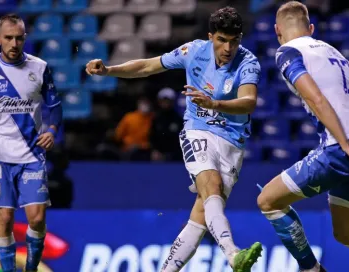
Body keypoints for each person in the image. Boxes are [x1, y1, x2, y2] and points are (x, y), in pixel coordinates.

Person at [86, 6, 262, 272]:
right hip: (197, 131)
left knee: (202, 214)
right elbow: (147, 65)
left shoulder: (248, 63)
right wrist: (109, 70)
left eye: (234, 41)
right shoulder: (193, 51)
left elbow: (249, 102)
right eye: (222, 40)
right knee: (211, 185)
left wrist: (214, 103)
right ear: (210, 36)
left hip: (232, 142)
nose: (228, 47)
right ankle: (233, 254)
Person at [256, 2, 349, 272]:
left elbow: (316, 98)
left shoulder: (287, 52)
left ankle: (311, 269)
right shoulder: (334, 52)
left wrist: (345, 146)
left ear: (277, 30)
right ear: (311, 28)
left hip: (342, 150)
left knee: (268, 200)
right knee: (348, 234)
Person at [0, 14, 62, 272]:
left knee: (37, 219)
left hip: (31, 153)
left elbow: (54, 106)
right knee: (4, 218)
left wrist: (51, 129)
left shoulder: (40, 67)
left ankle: (30, 269)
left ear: (25, 38)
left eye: (19, 38)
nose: (14, 43)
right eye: (8, 38)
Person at [149, 87, 183, 161]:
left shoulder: (178, 118)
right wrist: (154, 150)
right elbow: (152, 136)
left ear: (172, 101)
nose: (165, 103)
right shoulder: (156, 118)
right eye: (163, 100)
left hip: (175, 155)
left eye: (167, 101)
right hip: (158, 154)